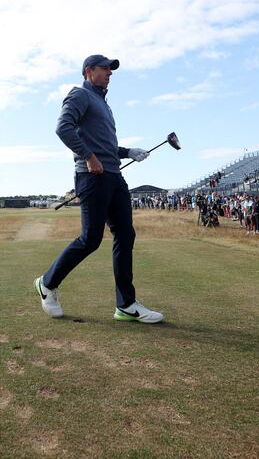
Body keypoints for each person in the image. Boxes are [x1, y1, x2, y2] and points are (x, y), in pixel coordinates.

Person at [33, 54, 164, 323]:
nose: (110, 73)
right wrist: (89, 157)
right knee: (90, 239)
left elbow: (104, 145)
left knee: (125, 234)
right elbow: (63, 128)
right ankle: (47, 283)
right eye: (105, 69)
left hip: (113, 176)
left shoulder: (103, 104)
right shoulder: (80, 95)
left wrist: (128, 151)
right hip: (92, 177)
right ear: (89, 71)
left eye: (110, 70)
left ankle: (126, 304)